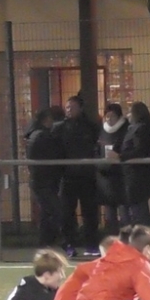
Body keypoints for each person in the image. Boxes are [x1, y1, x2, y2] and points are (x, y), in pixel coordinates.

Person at [54, 95, 100, 257]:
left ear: (80, 108)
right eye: (67, 107)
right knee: (67, 212)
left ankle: (91, 245)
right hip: (67, 176)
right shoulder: (59, 128)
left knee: (90, 212)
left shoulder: (91, 127)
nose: (69, 110)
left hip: (87, 175)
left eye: (72, 107)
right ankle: (69, 244)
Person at [113, 102, 150, 226]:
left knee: (138, 211)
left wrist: (121, 156)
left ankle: (142, 235)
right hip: (131, 175)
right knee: (132, 210)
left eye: (130, 112)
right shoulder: (131, 128)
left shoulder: (141, 129)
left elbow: (140, 150)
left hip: (138, 175)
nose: (127, 115)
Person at [25, 108, 65, 250]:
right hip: (44, 180)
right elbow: (54, 153)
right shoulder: (43, 136)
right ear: (46, 120)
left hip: (39, 179)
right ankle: (49, 241)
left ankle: (46, 242)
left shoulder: (34, 134)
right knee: (54, 211)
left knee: (47, 211)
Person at [96, 103, 129, 234]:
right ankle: (113, 238)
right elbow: (97, 150)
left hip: (121, 176)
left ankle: (127, 239)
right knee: (110, 213)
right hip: (106, 177)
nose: (109, 119)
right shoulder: (102, 130)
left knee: (124, 212)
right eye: (107, 116)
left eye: (113, 116)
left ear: (119, 117)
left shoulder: (125, 129)